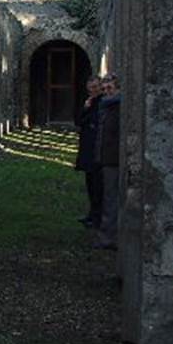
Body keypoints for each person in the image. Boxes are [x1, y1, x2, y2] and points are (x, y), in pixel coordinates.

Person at [94, 74, 121, 250]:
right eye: (103, 89)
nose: (106, 92)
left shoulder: (117, 107)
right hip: (107, 158)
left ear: (118, 89)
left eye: (110, 88)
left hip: (113, 159)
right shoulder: (107, 107)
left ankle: (108, 237)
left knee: (111, 199)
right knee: (109, 198)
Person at [75, 76, 103, 229]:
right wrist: (85, 108)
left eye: (95, 87)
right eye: (90, 88)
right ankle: (92, 214)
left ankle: (97, 217)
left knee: (98, 186)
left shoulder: (102, 103)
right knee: (91, 185)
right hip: (88, 150)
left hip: (96, 151)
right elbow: (79, 121)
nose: (93, 90)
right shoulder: (90, 103)